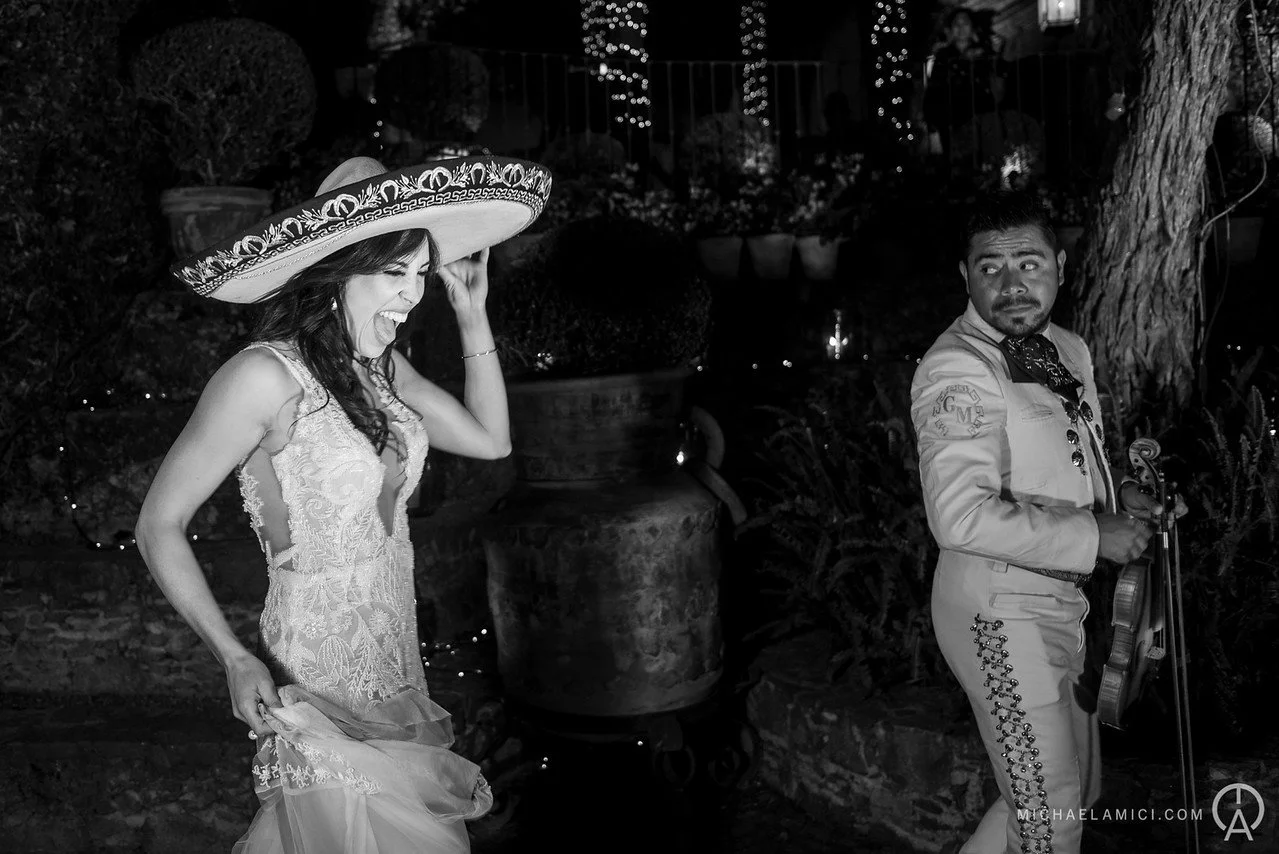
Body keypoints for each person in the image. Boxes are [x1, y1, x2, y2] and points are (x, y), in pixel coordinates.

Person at [136, 154, 552, 852]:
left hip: (393, 658)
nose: (411, 295)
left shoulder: (382, 368)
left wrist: (472, 314)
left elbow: (489, 441)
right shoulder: (262, 376)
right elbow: (158, 525)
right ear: (336, 269)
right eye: (395, 274)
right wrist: (234, 658)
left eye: (419, 275)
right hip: (314, 667)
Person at [909, 190, 1183, 853]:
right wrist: (1096, 537)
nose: (1010, 285)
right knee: (1049, 815)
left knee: (1063, 796)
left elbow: (1064, 460)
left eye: (1027, 264)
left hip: (1059, 604)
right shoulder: (956, 369)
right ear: (963, 275)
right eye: (989, 267)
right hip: (995, 614)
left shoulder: (1066, 347)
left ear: (1059, 265)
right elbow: (958, 517)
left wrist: (1121, 501)